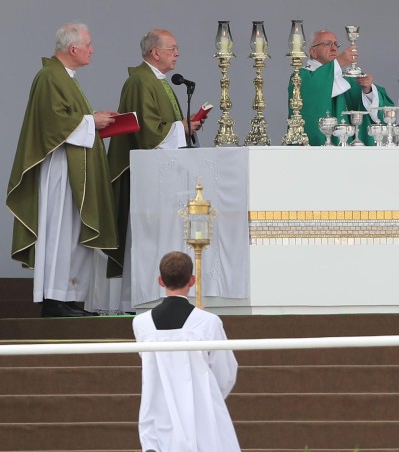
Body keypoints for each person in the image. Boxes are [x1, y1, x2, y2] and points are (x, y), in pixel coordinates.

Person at [6, 23, 118, 317]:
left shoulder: (65, 77)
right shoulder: (49, 76)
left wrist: (95, 120)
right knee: (59, 232)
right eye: (89, 44)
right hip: (60, 168)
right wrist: (92, 121)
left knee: (73, 232)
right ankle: (54, 300)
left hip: (74, 166)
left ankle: (69, 298)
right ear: (73, 49)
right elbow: (52, 122)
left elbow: (71, 119)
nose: (92, 50)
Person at [105, 29, 204, 311]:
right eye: (172, 48)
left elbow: (163, 127)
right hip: (147, 174)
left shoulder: (158, 81)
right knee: (146, 235)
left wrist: (186, 127)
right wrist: (181, 128)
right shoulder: (140, 81)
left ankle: (160, 291)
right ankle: (140, 295)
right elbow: (148, 133)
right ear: (154, 52)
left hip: (164, 172)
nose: (177, 53)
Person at [133, 251, 241, 452]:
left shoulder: (141, 323)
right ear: (192, 280)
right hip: (200, 412)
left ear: (160, 281)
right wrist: (207, 394)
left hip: (157, 410)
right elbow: (226, 371)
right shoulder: (208, 322)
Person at [291, 29, 393, 145]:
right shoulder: (301, 76)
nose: (334, 48)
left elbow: (382, 111)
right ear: (313, 52)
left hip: (347, 150)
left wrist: (368, 90)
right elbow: (313, 91)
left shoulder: (346, 78)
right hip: (314, 150)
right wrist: (339, 62)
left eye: (336, 44)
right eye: (327, 44)